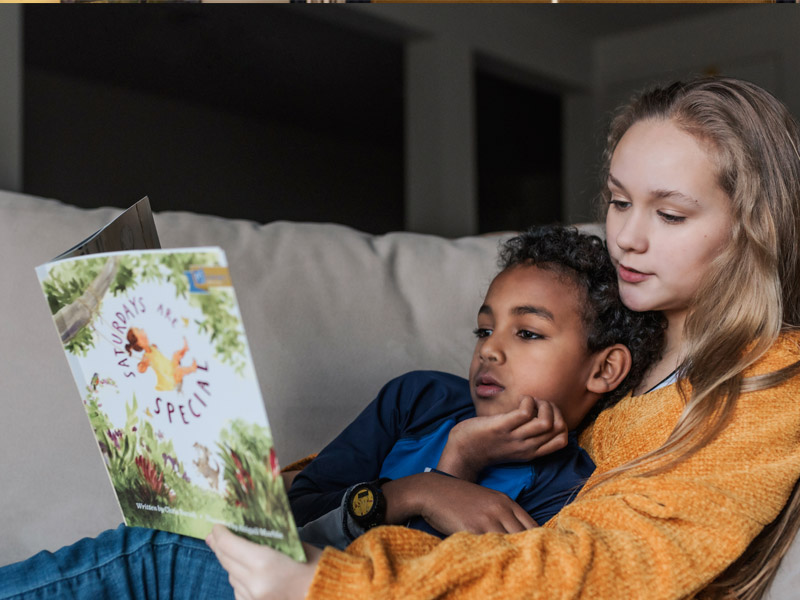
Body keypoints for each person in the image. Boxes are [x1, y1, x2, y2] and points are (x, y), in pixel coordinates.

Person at [3, 75, 800, 600]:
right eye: (618, 202)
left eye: (668, 214)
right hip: (356, 556)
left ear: (753, 227)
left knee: (158, 561)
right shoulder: (628, 351)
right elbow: (336, 486)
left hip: (373, 586)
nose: (626, 236)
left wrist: (330, 583)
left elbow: (604, 565)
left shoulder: (768, 379)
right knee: (166, 536)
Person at [290, 226, 664, 550]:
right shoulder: (418, 399)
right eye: (484, 330)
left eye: (528, 333)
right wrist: (417, 491)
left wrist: (460, 463)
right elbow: (291, 512)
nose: (488, 349)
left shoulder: (569, 491)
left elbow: (419, 580)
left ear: (604, 369)